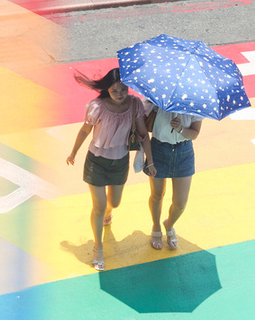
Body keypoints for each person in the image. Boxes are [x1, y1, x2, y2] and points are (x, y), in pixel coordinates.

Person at [67, 68, 156, 271]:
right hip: (96, 162)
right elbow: (84, 129)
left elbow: (143, 134)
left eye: (123, 89)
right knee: (97, 207)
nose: (119, 94)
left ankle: (108, 213)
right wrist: (73, 152)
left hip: (120, 162)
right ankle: (98, 249)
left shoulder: (134, 105)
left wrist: (150, 162)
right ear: (107, 89)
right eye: (115, 90)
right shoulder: (97, 107)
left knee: (113, 203)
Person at [145, 103, 203, 250]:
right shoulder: (157, 96)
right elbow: (142, 120)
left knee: (180, 204)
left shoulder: (195, 101)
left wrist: (180, 129)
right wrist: (152, 105)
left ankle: (169, 224)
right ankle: (156, 226)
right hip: (158, 148)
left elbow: (195, 134)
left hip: (184, 152)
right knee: (157, 194)